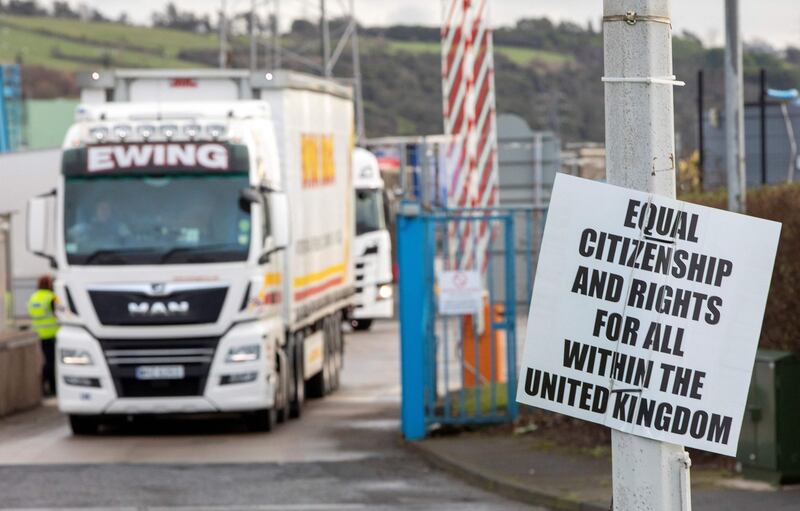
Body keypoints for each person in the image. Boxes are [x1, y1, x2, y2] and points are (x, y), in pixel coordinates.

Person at [27, 275, 59, 396]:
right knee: (53, 362)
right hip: (53, 334)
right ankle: (52, 387)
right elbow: (61, 312)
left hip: (40, 334)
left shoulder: (33, 297)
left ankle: (45, 386)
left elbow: (31, 313)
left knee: (48, 361)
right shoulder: (52, 297)